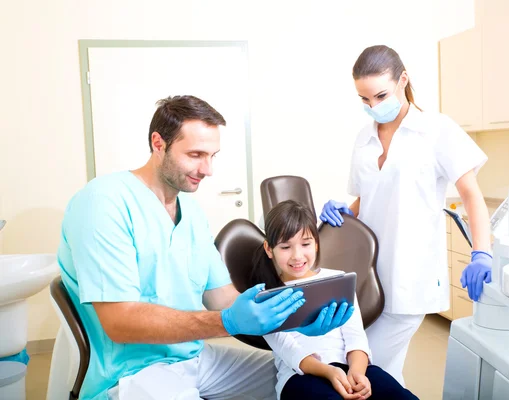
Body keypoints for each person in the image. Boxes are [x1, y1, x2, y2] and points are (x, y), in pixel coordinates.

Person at [57, 95, 353, 400]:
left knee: (303, 379)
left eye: (213, 155)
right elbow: (121, 322)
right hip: (133, 372)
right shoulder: (102, 204)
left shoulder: (191, 210)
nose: (208, 169)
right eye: (196, 154)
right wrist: (227, 323)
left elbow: (221, 297)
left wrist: (293, 321)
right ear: (158, 144)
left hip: (195, 359)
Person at [319, 45, 491, 385]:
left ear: (403, 79)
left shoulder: (436, 130)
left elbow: (472, 195)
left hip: (410, 277)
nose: (374, 107)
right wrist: (343, 213)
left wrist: (481, 252)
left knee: (363, 370)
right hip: (367, 276)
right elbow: (365, 200)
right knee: (385, 373)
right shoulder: (363, 138)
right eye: (365, 100)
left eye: (381, 95)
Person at [249, 200, 419, 400]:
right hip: (300, 375)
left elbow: (356, 337)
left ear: (316, 243)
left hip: (350, 366)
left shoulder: (339, 280)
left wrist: (357, 372)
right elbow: (290, 352)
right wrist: (330, 372)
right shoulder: (266, 297)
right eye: (285, 247)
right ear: (269, 249)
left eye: (305, 244)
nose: (297, 256)